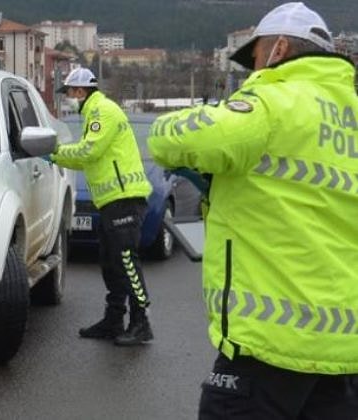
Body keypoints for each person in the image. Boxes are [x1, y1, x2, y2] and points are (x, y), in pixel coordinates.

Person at [147, 2, 358, 418]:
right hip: (345, 354)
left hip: (268, 349)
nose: (252, 70)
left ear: (277, 49)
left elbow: (171, 140)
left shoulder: (273, 100)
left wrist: (172, 126)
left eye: (256, 56)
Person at [49, 67, 154, 346]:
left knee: (127, 262)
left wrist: (53, 152)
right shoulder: (92, 113)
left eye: (69, 93)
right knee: (110, 263)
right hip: (111, 200)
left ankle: (141, 322)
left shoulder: (102, 111)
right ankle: (114, 319)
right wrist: (55, 158)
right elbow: (85, 158)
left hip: (124, 198)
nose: (69, 98)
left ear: (81, 91)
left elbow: (88, 151)